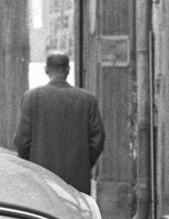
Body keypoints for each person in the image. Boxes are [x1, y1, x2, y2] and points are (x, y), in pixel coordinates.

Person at [13, 52, 105, 196]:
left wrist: (32, 163)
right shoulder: (87, 100)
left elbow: (22, 141)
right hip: (77, 179)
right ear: (68, 70)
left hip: (42, 178)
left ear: (46, 70)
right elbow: (98, 139)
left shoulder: (32, 98)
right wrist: (84, 162)